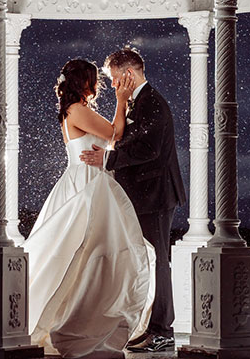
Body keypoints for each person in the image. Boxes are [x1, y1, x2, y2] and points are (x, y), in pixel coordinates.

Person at [25, 58, 154, 359]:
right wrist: (122, 101)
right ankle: (80, 323)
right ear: (85, 82)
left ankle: (91, 316)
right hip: (87, 185)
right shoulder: (77, 110)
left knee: (94, 255)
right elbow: (114, 135)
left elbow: (108, 140)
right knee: (89, 253)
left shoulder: (77, 109)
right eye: (95, 80)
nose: (99, 86)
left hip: (92, 180)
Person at [81, 46, 185, 354]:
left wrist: (108, 160)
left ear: (129, 74)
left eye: (114, 78)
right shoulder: (137, 101)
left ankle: (163, 331)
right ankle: (148, 327)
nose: (112, 85)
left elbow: (149, 150)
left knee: (160, 263)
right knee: (146, 262)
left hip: (155, 196)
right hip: (143, 195)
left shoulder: (152, 103)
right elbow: (127, 138)